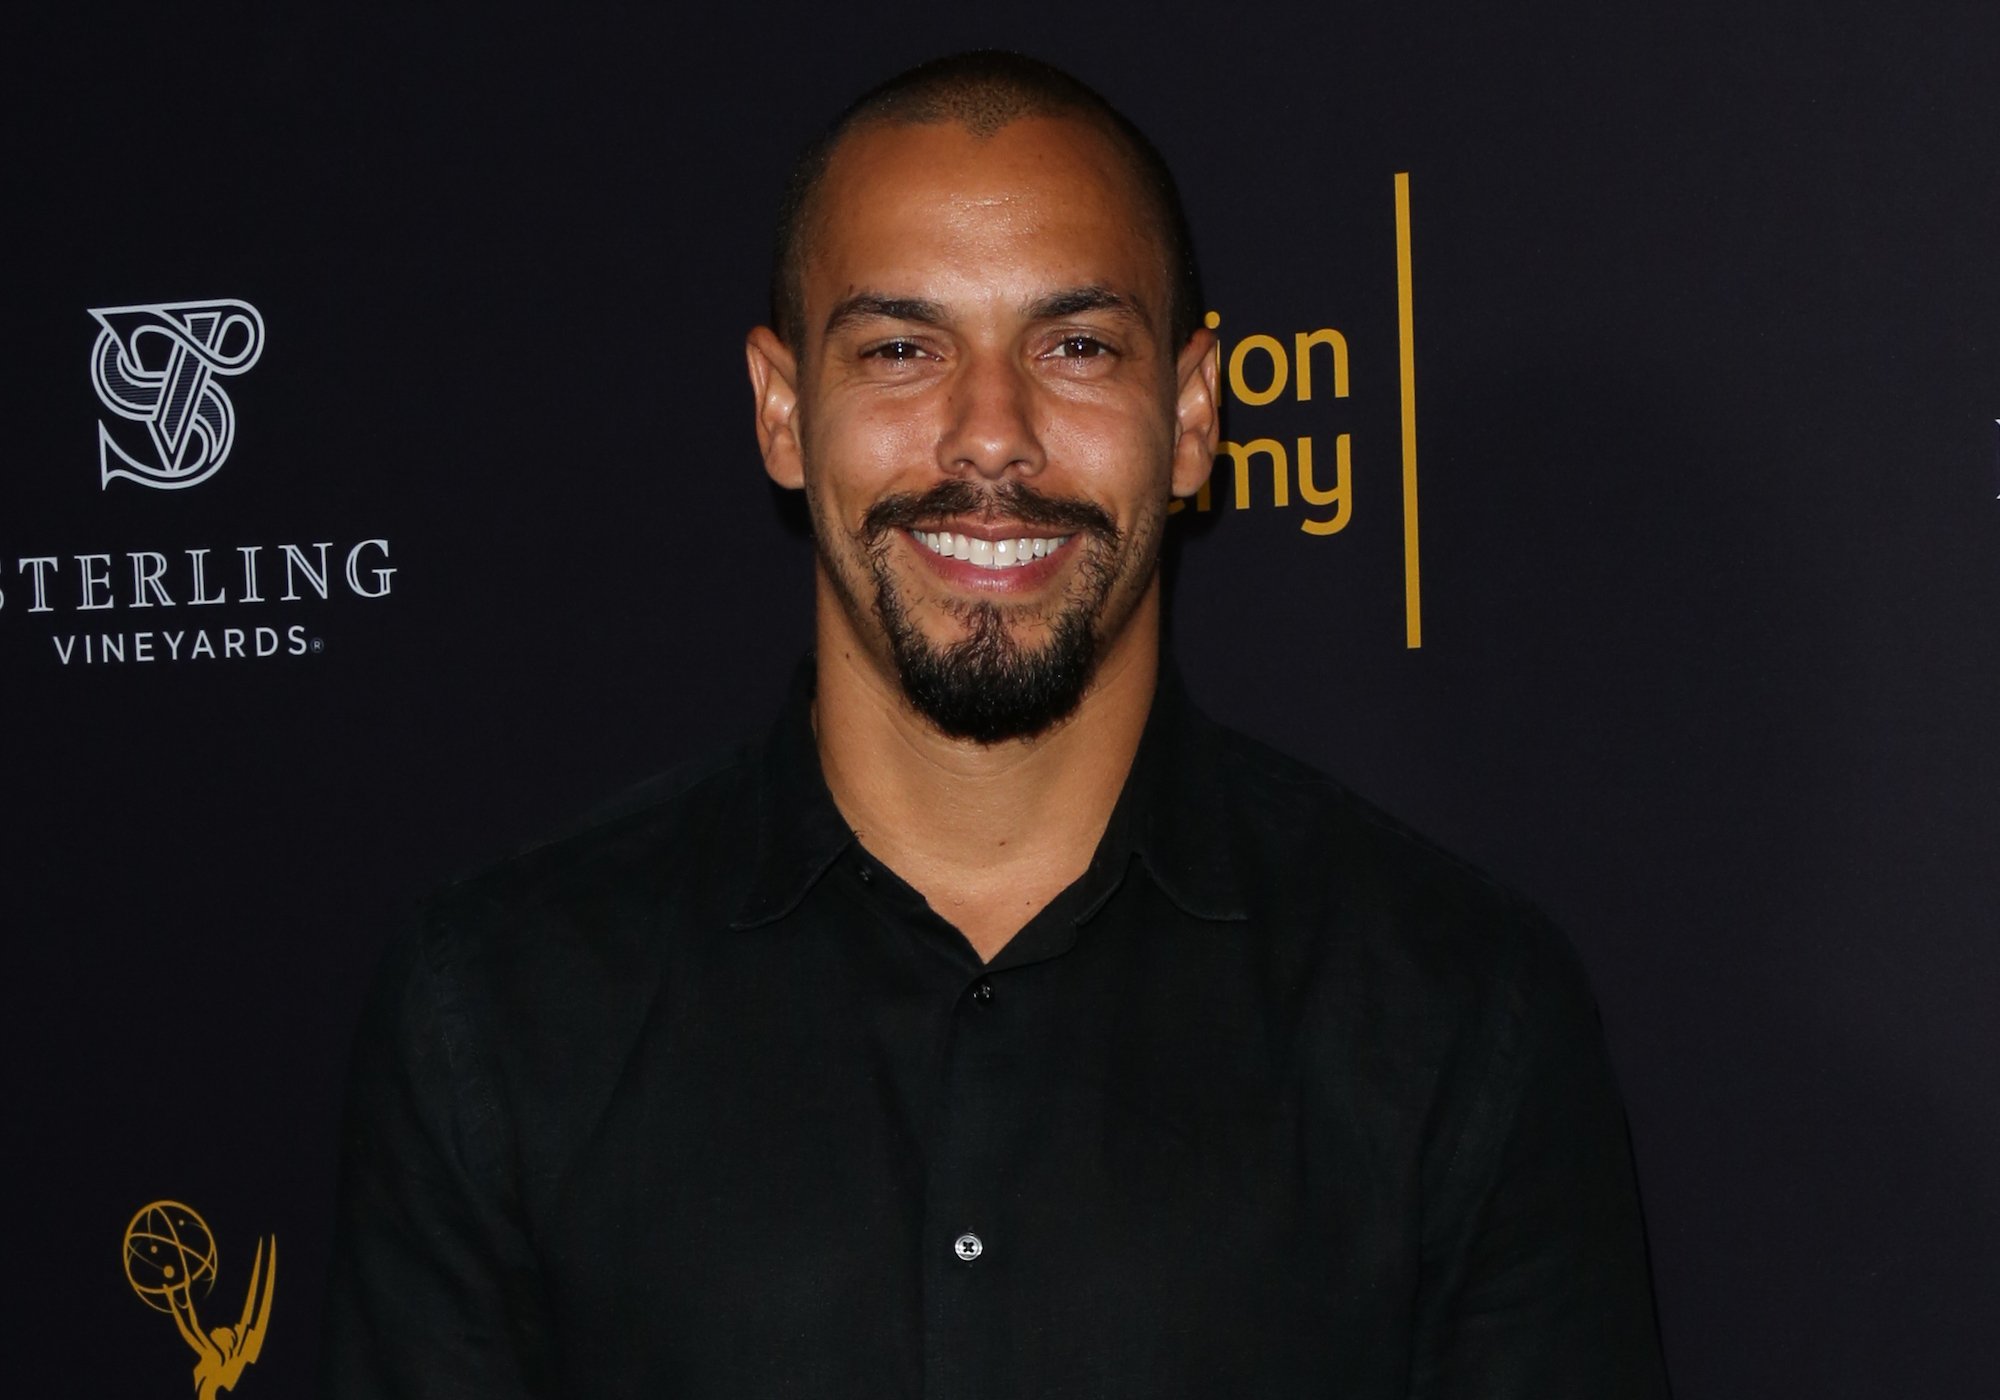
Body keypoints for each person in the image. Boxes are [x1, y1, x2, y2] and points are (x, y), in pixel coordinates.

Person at [324, 51, 1671, 1398]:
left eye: (1075, 348)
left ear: (1194, 416)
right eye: (903, 350)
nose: (991, 438)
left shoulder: (1453, 1015)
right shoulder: (501, 1015)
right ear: (784, 412)